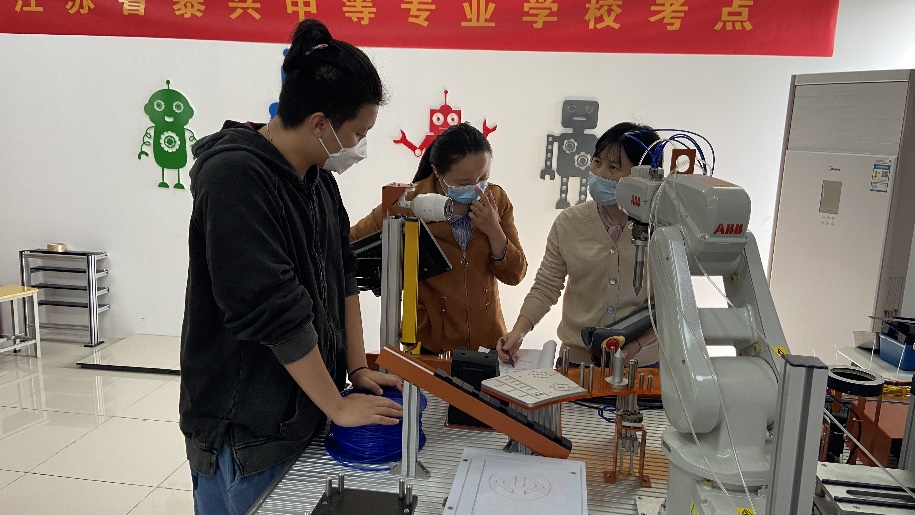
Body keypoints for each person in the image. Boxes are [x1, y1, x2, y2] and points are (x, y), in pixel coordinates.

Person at [179, 19, 404, 515]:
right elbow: (271, 309)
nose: (360, 146)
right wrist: (338, 405)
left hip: (306, 406)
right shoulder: (235, 177)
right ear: (319, 123)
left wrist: (357, 367)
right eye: (358, 133)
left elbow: (344, 271)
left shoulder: (319, 180)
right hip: (247, 425)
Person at [350, 122, 527, 354]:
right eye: (465, 183)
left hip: (488, 344)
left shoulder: (496, 200)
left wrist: (494, 230)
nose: (477, 189)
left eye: (483, 178)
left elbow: (515, 274)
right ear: (437, 171)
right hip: (431, 346)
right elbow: (348, 243)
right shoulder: (408, 202)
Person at [497, 122, 660, 366]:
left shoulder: (662, 228)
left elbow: (672, 304)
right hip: (577, 361)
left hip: (644, 364)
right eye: (597, 161)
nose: (600, 173)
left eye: (613, 167)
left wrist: (634, 347)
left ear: (643, 176)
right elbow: (546, 286)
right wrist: (518, 333)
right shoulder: (569, 222)